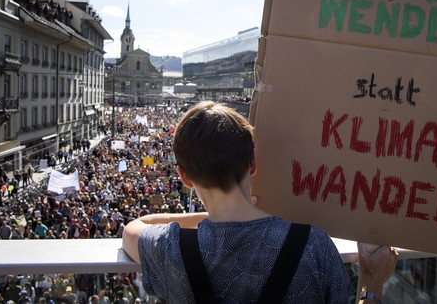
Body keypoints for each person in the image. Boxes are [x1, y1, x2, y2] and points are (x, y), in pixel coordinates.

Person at [123, 101, 398, 303]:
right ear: (253, 162)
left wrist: (207, 217)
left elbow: (134, 228)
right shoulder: (313, 245)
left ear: (184, 177)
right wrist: (372, 284)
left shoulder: (171, 249)